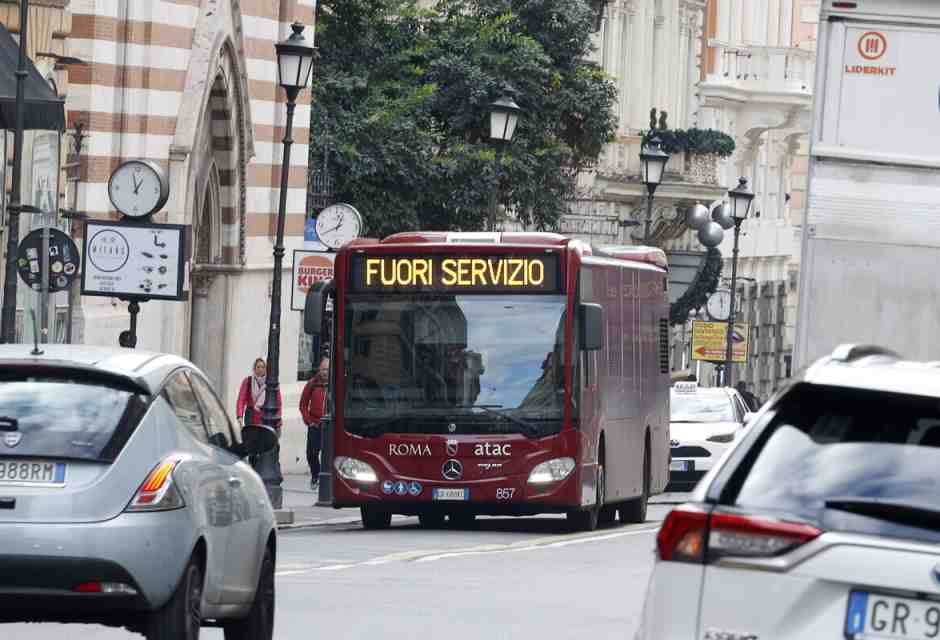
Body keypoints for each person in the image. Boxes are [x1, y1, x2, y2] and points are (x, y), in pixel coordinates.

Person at [236, 358, 284, 494]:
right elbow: (241, 399)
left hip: (265, 417)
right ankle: (252, 469)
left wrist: (279, 422)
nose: (260, 369)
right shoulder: (248, 382)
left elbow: (278, 403)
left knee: (263, 448)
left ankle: (260, 472)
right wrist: (239, 415)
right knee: (251, 447)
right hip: (251, 416)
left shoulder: (271, 383)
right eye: (258, 367)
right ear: (254, 368)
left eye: (263, 367)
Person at [300, 358, 329, 490]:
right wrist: (309, 421)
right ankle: (315, 475)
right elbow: (303, 404)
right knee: (311, 453)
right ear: (319, 369)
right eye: (323, 369)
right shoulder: (312, 383)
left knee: (328, 453)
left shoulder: (335, 384)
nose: (325, 372)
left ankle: (326, 478)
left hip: (329, 425)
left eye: (327, 369)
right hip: (315, 424)